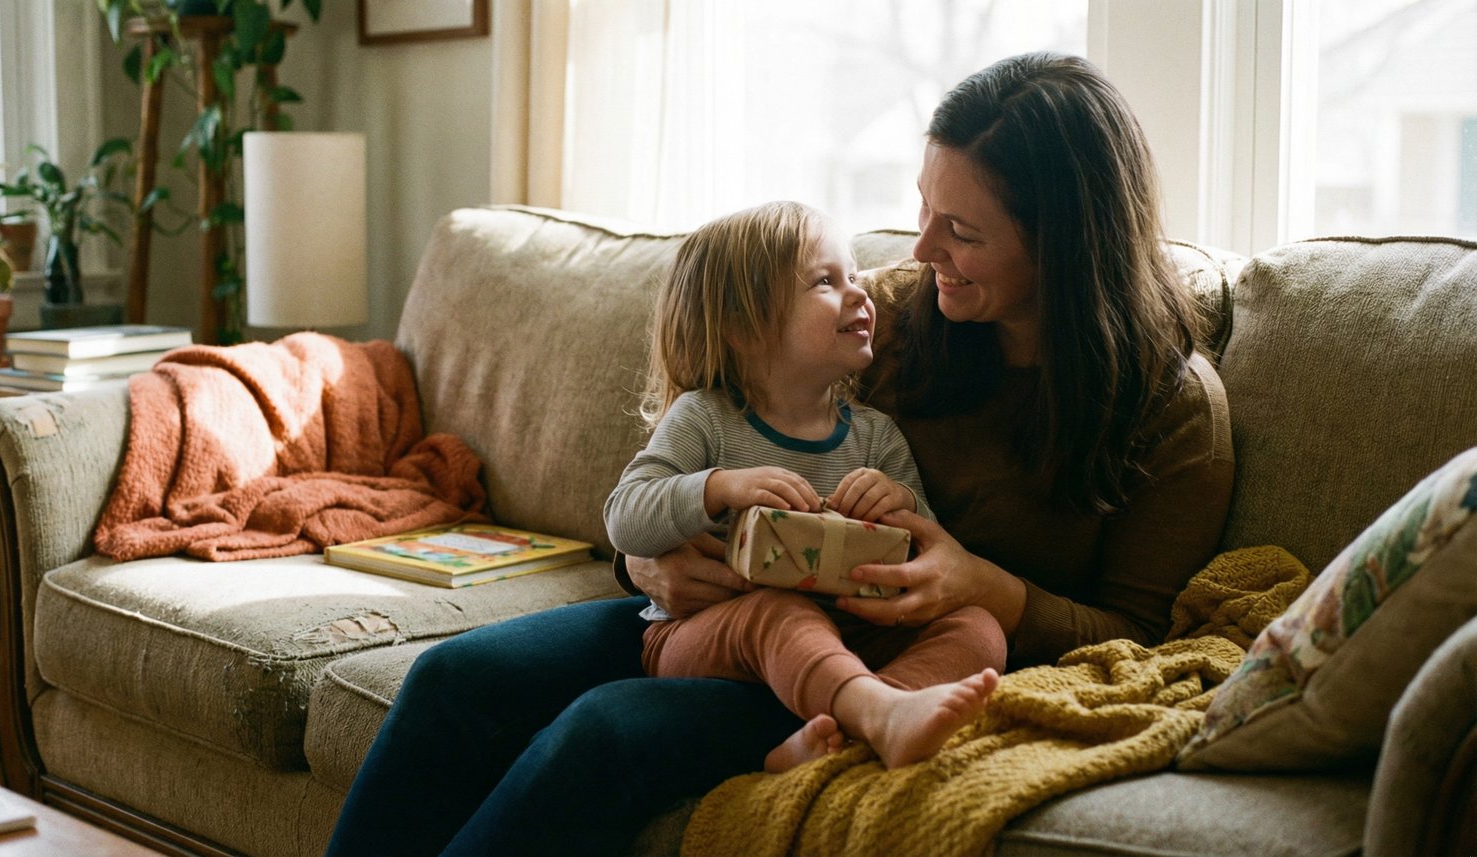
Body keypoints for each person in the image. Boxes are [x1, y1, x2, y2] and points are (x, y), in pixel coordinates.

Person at [327, 51, 1232, 857]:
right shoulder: (901, 320)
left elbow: (1141, 642)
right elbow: (721, 415)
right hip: (738, 611)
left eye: (961, 230)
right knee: (454, 675)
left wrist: (979, 584)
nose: (921, 250)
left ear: (1064, 242)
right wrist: (652, 557)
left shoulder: (1170, 407)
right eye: (925, 210)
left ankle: (866, 718)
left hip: (893, 652)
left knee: (599, 734)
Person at [603, 200, 1005, 773]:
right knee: (781, 610)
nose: (859, 294)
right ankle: (878, 716)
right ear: (743, 327)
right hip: (714, 635)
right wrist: (718, 487)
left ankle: (850, 727)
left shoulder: (875, 436)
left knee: (979, 628)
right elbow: (625, 518)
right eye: (825, 281)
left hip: (852, 633)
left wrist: (902, 508)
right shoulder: (705, 418)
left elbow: (925, 556)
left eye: (854, 277)